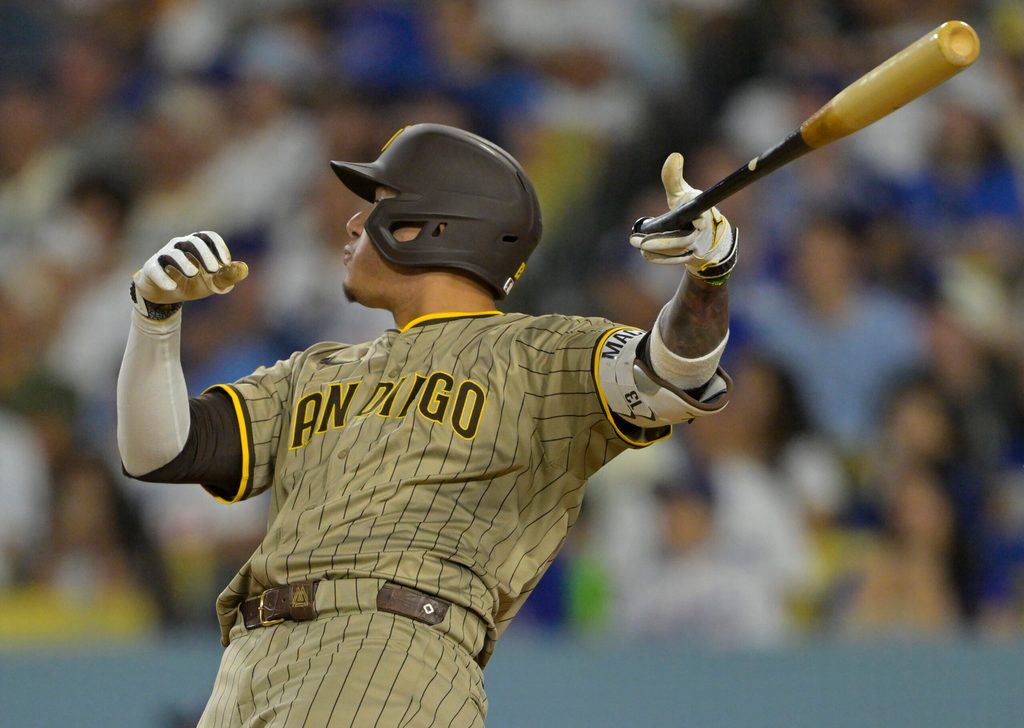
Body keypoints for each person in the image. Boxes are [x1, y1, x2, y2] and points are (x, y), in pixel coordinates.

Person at [116, 123, 737, 727]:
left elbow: (671, 371)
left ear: (435, 227)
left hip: (389, 655)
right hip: (247, 667)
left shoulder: (543, 352)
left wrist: (706, 279)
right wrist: (154, 320)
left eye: (380, 204)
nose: (355, 222)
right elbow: (161, 451)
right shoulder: (315, 369)